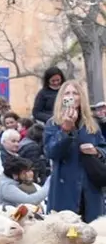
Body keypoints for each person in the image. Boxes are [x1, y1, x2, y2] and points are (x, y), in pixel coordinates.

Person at [44, 79, 106, 220]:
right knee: (68, 229)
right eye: (67, 93)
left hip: (90, 186)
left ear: (81, 97)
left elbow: (104, 148)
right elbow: (51, 152)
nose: (71, 97)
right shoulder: (53, 123)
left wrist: (96, 151)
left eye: (75, 93)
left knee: (92, 228)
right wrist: (65, 131)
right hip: (65, 187)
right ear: (62, 98)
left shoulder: (91, 124)